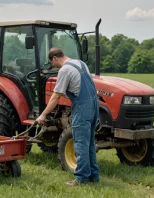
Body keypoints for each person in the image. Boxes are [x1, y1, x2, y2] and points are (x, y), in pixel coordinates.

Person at [36, 48, 100, 186]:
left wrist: (43, 114)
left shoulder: (64, 70)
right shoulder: (81, 63)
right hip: (95, 106)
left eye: (53, 63)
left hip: (82, 107)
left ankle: (81, 178)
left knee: (81, 144)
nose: (54, 66)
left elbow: (55, 96)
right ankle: (94, 177)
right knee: (89, 143)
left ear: (54, 58)